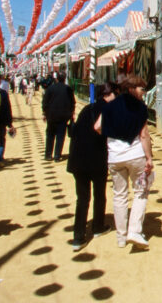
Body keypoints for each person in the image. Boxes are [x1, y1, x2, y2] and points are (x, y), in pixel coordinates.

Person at [96, 74, 153, 249]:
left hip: (114, 157)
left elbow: (97, 127)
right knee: (141, 191)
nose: (143, 92)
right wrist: (149, 158)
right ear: (131, 89)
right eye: (141, 89)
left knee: (119, 195)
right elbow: (143, 135)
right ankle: (134, 231)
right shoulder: (140, 108)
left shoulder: (109, 106)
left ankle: (121, 237)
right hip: (135, 155)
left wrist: (113, 138)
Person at [67, 82, 114, 250]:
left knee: (82, 199)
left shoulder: (87, 109)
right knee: (99, 194)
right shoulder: (108, 110)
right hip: (96, 158)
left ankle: (78, 238)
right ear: (110, 94)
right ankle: (98, 226)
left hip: (78, 159)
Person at [41, 71, 75, 161]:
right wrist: (71, 114)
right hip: (63, 116)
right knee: (60, 136)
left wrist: (44, 113)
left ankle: (48, 155)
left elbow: (45, 102)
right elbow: (72, 103)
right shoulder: (68, 89)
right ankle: (57, 155)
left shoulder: (50, 89)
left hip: (51, 116)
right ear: (64, 78)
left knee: (50, 135)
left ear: (56, 78)